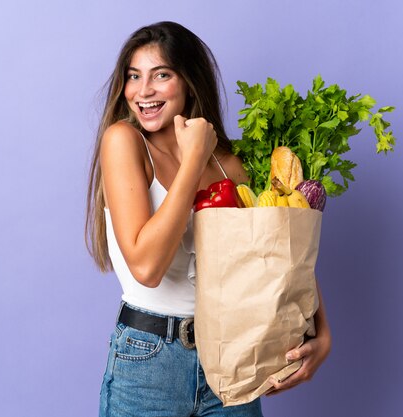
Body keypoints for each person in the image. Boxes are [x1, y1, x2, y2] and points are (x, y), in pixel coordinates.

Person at [85, 21, 332, 416]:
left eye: (160, 74)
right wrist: (194, 158)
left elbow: (279, 251)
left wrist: (323, 331)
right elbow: (147, 267)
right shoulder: (124, 142)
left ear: (188, 81)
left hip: (230, 357)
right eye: (134, 76)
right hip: (149, 362)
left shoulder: (230, 162)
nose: (143, 91)